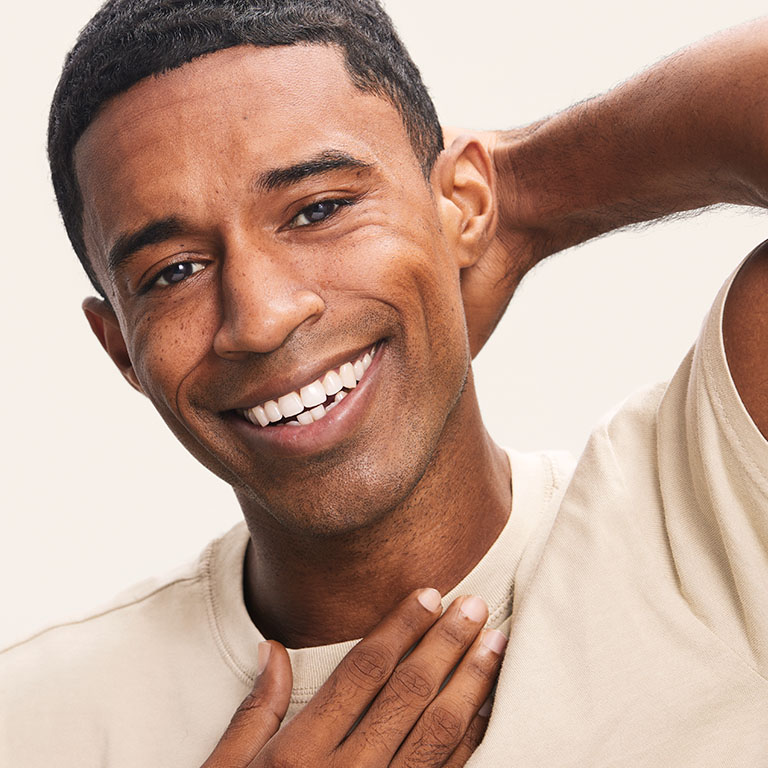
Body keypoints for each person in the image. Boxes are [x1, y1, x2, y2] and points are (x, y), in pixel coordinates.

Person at [1, 1, 767, 766]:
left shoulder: (714, 521)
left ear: (462, 203)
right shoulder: (32, 722)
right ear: (122, 352)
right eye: (174, 272)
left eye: (320, 209)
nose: (261, 317)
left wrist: (522, 198)